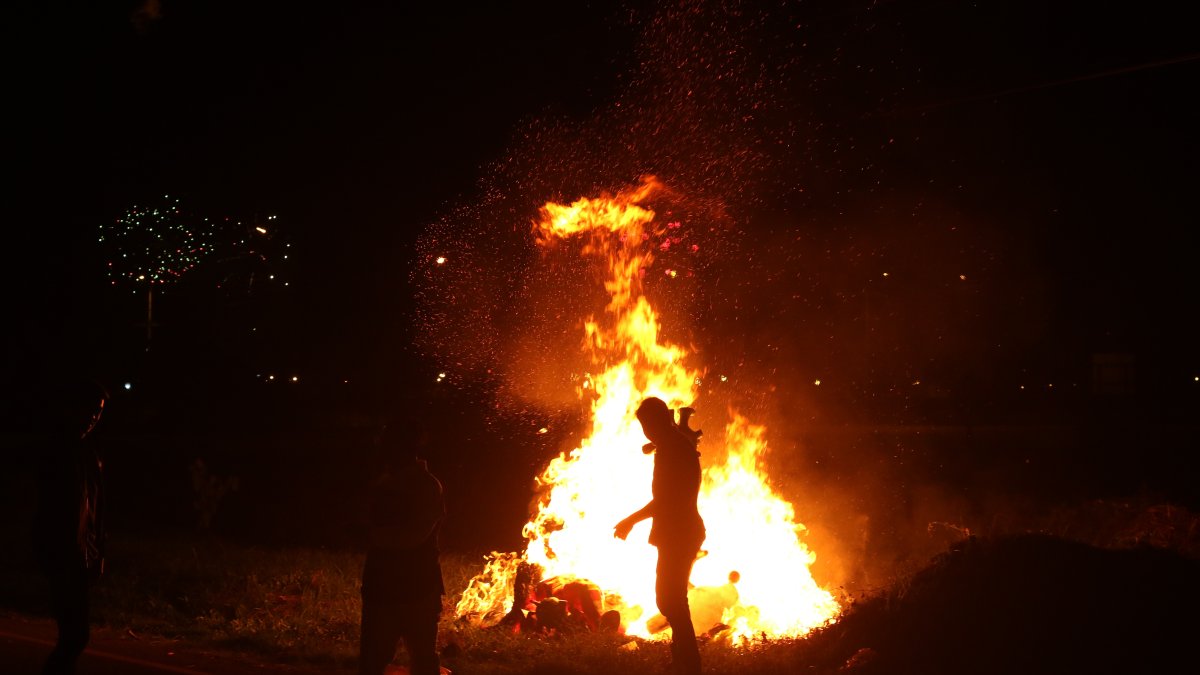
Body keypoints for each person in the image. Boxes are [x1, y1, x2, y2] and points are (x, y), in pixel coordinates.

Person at [614, 397, 705, 675]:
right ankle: (684, 660)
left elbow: (664, 500)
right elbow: (675, 441)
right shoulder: (672, 445)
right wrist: (653, 446)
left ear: (663, 420)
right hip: (678, 531)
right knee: (670, 598)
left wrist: (630, 520)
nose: (647, 432)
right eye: (644, 426)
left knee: (670, 598)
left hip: (681, 532)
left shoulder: (673, 450)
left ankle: (688, 662)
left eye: (650, 425)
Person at [32, 378, 108, 675]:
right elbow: (53, 509)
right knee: (75, 635)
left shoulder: (88, 454)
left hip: (79, 555)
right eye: (88, 409)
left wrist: (97, 551)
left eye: (98, 411)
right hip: (62, 554)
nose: (93, 417)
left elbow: (95, 511)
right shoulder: (58, 451)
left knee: (74, 636)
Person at [360, 424, 446, 675]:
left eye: (387, 446)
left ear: (404, 449)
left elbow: (414, 536)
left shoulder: (425, 486)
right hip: (383, 583)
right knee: (373, 658)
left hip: (416, 586)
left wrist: (369, 534)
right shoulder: (386, 482)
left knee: (422, 659)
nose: (381, 452)